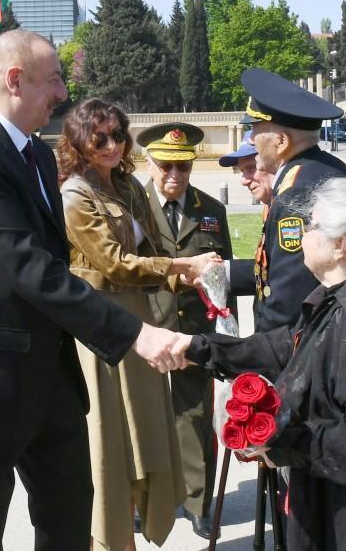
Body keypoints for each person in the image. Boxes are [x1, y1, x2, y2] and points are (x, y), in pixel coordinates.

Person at [0, 30, 191, 551]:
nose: (62, 93)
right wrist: (134, 334)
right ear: (15, 81)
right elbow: (30, 268)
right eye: (54, 79)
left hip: (49, 380)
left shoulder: (38, 157)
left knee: (68, 521)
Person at [173, 177, 346, 550]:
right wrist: (196, 347)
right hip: (328, 504)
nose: (303, 234)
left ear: (341, 245)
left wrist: (280, 442)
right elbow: (284, 347)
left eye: (313, 225)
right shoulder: (339, 299)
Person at [57, 101, 219, 550]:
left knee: (144, 444)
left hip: (140, 324)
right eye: (100, 138)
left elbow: (151, 244)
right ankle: (107, 539)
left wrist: (188, 267)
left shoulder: (127, 186)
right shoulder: (75, 195)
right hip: (103, 331)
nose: (112, 146)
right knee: (111, 450)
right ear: (79, 144)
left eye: (117, 136)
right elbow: (114, 263)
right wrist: (182, 265)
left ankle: (127, 535)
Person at [135, 122, 235, 540]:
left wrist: (227, 333)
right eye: (165, 166)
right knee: (144, 418)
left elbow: (225, 278)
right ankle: (146, 503)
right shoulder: (131, 207)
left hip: (195, 329)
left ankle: (198, 502)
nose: (174, 175)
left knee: (194, 416)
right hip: (145, 330)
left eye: (183, 167)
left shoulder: (211, 210)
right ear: (149, 162)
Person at [228, 68, 346, 333]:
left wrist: (261, 359)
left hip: (302, 351)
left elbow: (289, 302)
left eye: (255, 129)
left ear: (281, 141)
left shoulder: (296, 195)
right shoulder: (327, 168)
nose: (251, 139)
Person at [219, 129, 274, 207]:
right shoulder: (271, 207)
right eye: (242, 170)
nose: (244, 181)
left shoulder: (291, 207)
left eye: (252, 167)